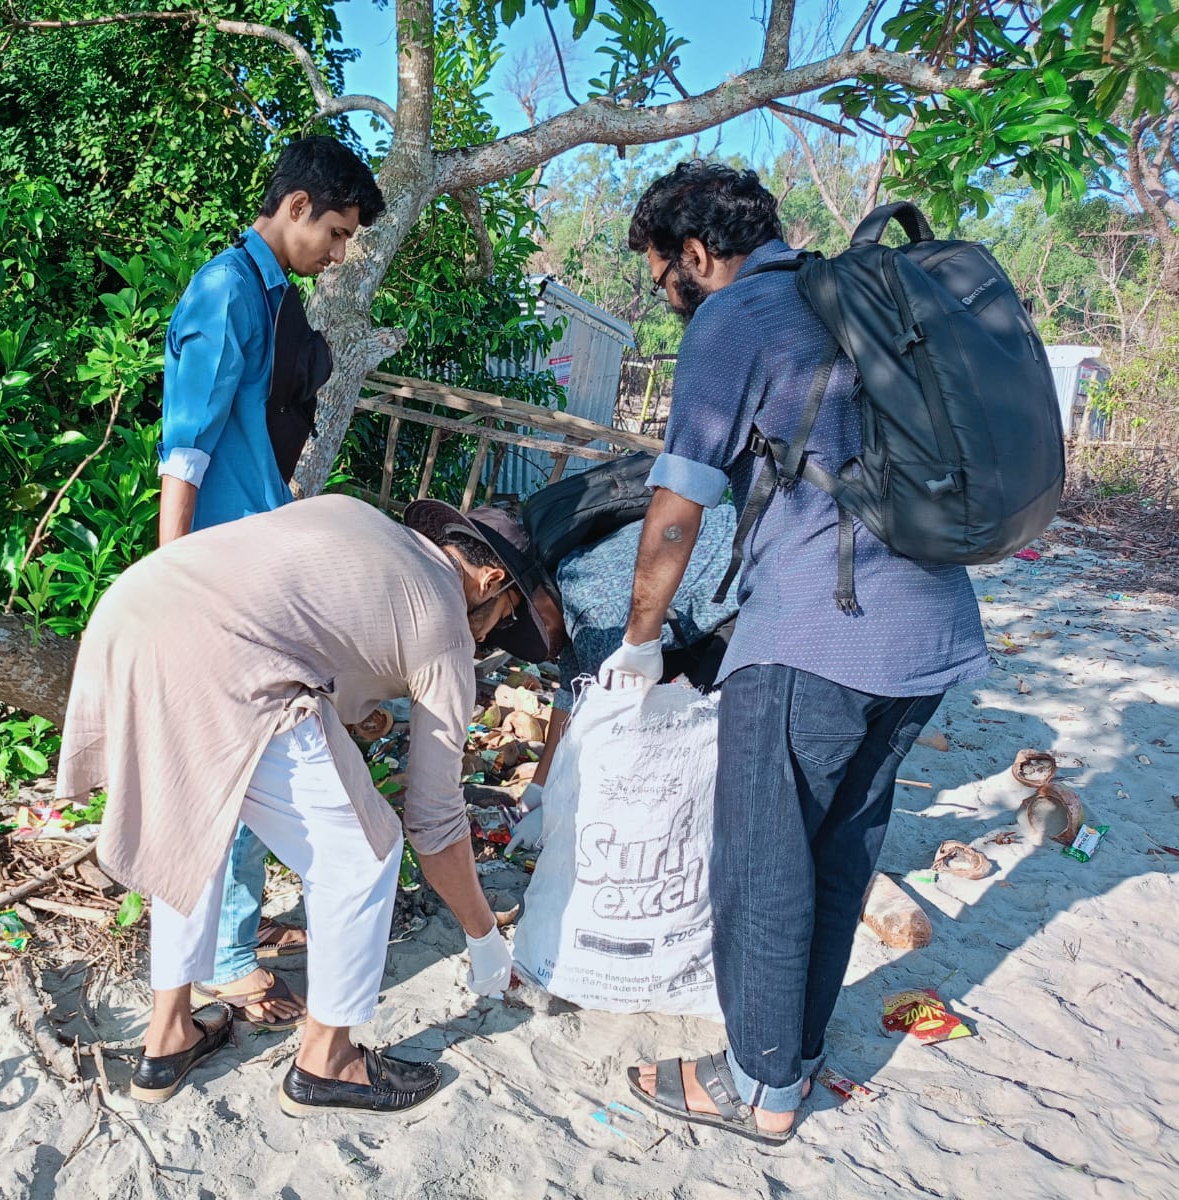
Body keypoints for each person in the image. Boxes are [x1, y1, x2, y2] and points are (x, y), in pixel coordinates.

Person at [601, 162, 988, 1143]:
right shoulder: (853, 303)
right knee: (837, 850)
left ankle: (759, 1090)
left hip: (820, 633)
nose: (667, 299)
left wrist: (640, 643)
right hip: (932, 630)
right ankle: (796, 1057)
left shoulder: (738, 317)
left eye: (662, 278)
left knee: (763, 865)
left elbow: (677, 508)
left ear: (696, 253)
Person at [54, 493, 566, 1114]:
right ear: (491, 578)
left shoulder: (356, 519)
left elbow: (307, 635)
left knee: (190, 827)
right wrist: (484, 935)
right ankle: (330, 1063)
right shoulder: (447, 628)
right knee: (363, 853)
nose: (488, 637)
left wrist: (365, 715)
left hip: (132, 615)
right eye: (503, 615)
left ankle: (168, 1039)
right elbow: (433, 820)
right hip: (227, 659)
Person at [156, 136, 385, 1032]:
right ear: (295, 208)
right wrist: (175, 575)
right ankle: (225, 958)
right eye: (333, 231)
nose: (338, 252)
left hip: (255, 558)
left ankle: (224, 951)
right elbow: (187, 443)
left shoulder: (270, 292)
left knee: (246, 765)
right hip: (216, 575)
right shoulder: (226, 289)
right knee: (241, 763)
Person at [508, 498, 742, 849]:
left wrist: (559, 809)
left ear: (536, 601)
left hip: (746, 583)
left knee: (690, 734)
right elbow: (570, 696)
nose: (546, 648)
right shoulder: (565, 582)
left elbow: (616, 725)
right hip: (730, 555)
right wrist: (538, 790)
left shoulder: (594, 613)